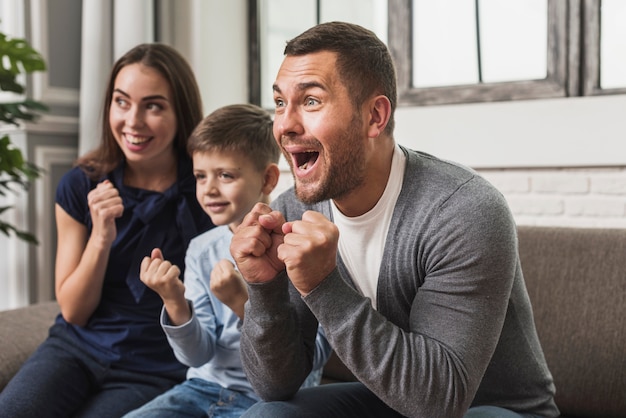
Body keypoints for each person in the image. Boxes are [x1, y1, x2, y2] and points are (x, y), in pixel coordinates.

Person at [229, 21, 560, 418]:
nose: (284, 125)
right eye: (281, 103)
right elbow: (273, 386)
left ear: (375, 116)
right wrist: (263, 289)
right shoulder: (296, 210)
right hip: (391, 400)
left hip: (489, 407)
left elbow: (440, 398)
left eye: (312, 101)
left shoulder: (463, 210)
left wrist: (323, 286)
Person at [0, 43, 214, 417]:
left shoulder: (207, 193)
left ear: (181, 112)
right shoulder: (80, 186)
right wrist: (101, 236)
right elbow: (74, 311)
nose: (133, 121)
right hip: (74, 350)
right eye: (122, 101)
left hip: (154, 369)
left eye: (153, 105)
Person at [123, 104, 331, 418]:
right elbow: (197, 356)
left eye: (225, 175)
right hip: (201, 390)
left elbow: (311, 359)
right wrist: (175, 301)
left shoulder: (300, 245)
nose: (210, 189)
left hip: (272, 402)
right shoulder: (201, 250)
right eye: (200, 176)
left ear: (267, 179)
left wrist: (243, 302)